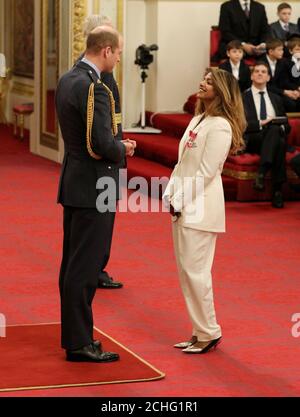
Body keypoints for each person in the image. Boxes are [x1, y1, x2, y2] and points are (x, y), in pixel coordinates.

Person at [56, 27, 136, 362]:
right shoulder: (94, 89)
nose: (118, 58)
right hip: (95, 186)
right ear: (105, 50)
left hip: (76, 182)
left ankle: (76, 336)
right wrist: (124, 148)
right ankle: (79, 343)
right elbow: (100, 145)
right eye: (118, 52)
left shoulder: (67, 79)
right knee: (85, 269)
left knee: (72, 264)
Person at [163, 69, 245, 354]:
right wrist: (170, 192)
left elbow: (207, 172)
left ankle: (209, 331)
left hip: (200, 207)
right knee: (187, 272)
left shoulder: (221, 126)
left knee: (197, 273)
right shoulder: (199, 119)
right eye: (203, 79)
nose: (202, 83)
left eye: (209, 81)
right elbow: (182, 163)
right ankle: (199, 331)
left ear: (221, 90)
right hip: (183, 204)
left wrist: (181, 199)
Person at [82, 15, 124, 289]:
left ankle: (97, 266)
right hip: (105, 156)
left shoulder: (99, 71)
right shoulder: (95, 76)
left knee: (106, 215)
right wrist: (118, 147)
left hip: (112, 150)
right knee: (101, 218)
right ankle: (95, 269)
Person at [242, 62, 290, 208]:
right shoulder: (243, 97)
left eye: (263, 72)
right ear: (251, 76)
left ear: (268, 77)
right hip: (254, 137)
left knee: (277, 135)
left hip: (273, 138)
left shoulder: (276, 98)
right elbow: (240, 124)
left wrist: (279, 125)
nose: (260, 74)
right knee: (278, 141)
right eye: (256, 71)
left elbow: (286, 124)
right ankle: (277, 191)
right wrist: (261, 123)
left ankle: (262, 174)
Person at [260, 38, 298, 112]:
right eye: (279, 50)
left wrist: (295, 90)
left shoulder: (283, 62)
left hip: (280, 91)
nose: (282, 52)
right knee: (289, 103)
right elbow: (264, 85)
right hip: (266, 91)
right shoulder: (261, 63)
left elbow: (285, 81)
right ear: (271, 51)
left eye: (282, 49)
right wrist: (285, 92)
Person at [280, 34, 300, 111]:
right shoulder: (285, 63)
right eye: (297, 49)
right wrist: (297, 88)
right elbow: (284, 82)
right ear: (291, 51)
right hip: (290, 91)